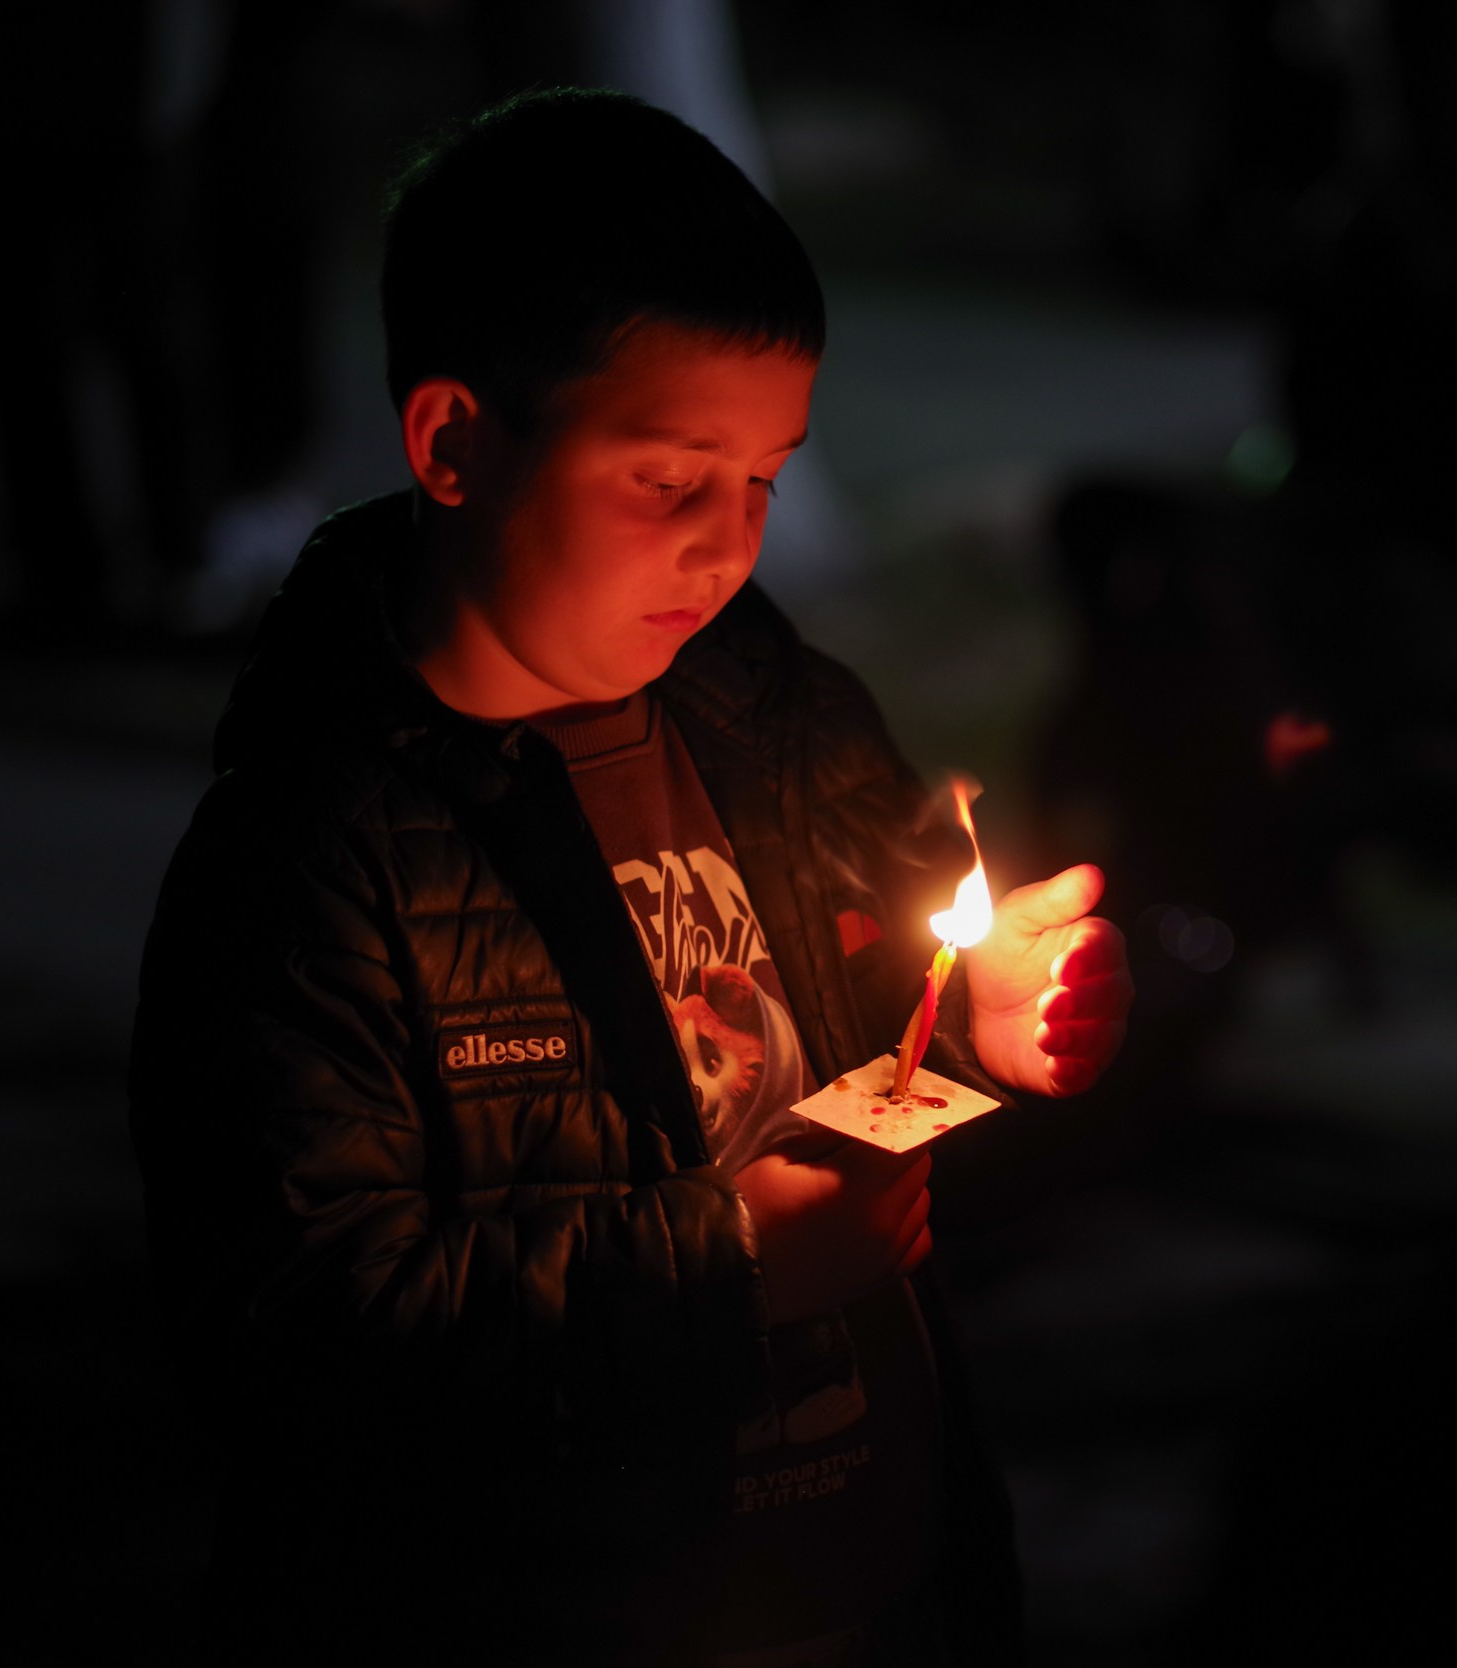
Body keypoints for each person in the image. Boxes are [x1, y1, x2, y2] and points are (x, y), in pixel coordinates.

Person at [127, 89, 1131, 1666]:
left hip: (878, 1596)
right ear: (456, 441)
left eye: (769, 478)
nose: (729, 549)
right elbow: (299, 1336)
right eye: (671, 479)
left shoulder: (773, 714)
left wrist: (985, 1016)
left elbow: (888, 1009)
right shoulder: (316, 854)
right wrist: (725, 1266)